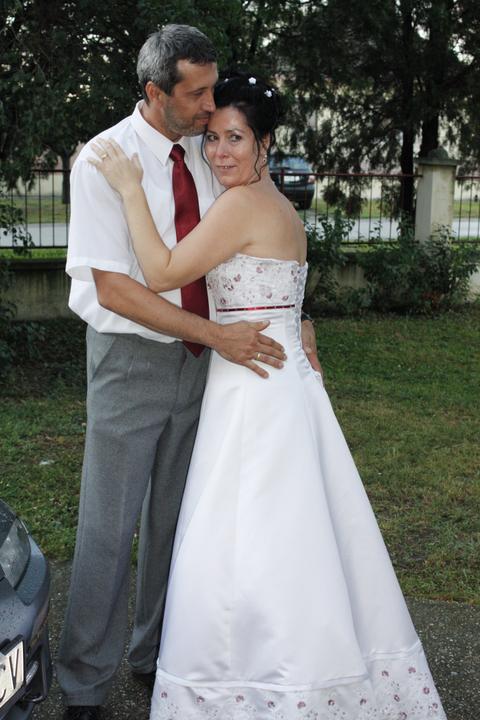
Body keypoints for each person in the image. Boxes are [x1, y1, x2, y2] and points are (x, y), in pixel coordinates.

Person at [91, 73, 447, 719]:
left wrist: (129, 187)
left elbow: (163, 272)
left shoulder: (241, 206)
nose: (219, 151)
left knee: (246, 535)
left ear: (265, 143)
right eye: (212, 138)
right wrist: (303, 321)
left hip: (252, 389)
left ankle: (255, 681)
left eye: (236, 138)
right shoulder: (276, 203)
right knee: (290, 533)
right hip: (276, 379)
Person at [59, 26, 320, 720]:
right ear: (155, 92)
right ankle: (84, 686)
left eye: (213, 91)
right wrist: (215, 335)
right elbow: (115, 288)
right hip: (133, 360)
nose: (211, 106)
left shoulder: (211, 150)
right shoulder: (104, 160)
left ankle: (155, 657)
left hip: (211, 366)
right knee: (109, 527)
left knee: (179, 520)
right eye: (198, 93)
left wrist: (296, 316)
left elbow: (260, 240)